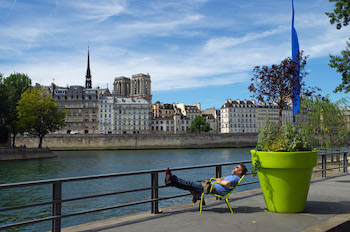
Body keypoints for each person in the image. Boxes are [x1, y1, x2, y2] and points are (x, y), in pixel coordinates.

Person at [165, 163, 247, 203]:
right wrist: (220, 179)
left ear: (240, 172)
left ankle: (173, 178)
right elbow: (225, 179)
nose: (234, 167)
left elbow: (227, 183)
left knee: (190, 184)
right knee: (190, 186)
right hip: (211, 186)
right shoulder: (233, 175)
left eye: (237, 167)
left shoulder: (235, 178)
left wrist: (219, 181)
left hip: (212, 189)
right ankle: (171, 183)